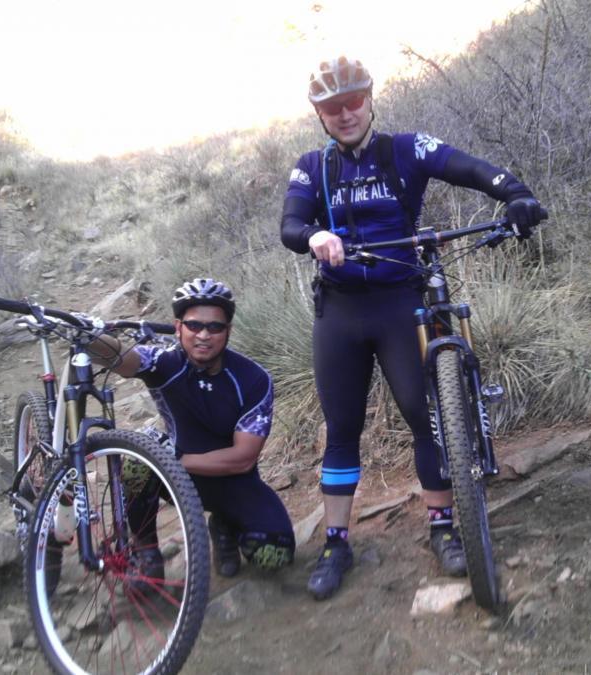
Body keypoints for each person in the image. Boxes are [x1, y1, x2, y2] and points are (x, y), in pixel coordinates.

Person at [279, 56, 545, 600]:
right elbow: (291, 222)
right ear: (320, 116)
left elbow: (469, 167)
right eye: (333, 108)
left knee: (425, 417)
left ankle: (444, 528)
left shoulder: (406, 149)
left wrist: (514, 194)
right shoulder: (311, 166)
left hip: (402, 299)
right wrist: (313, 238)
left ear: (370, 99)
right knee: (343, 426)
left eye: (354, 101)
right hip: (343, 310)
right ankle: (335, 543)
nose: (346, 113)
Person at [88, 278, 295, 582]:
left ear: (228, 331)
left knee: (274, 556)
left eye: (215, 327)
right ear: (178, 327)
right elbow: (122, 359)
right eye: (194, 325)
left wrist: (174, 460)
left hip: (232, 482)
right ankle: (146, 552)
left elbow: (243, 458)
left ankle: (224, 526)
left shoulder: (253, 379)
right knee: (137, 461)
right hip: (175, 479)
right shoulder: (163, 361)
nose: (203, 335)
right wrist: (90, 337)